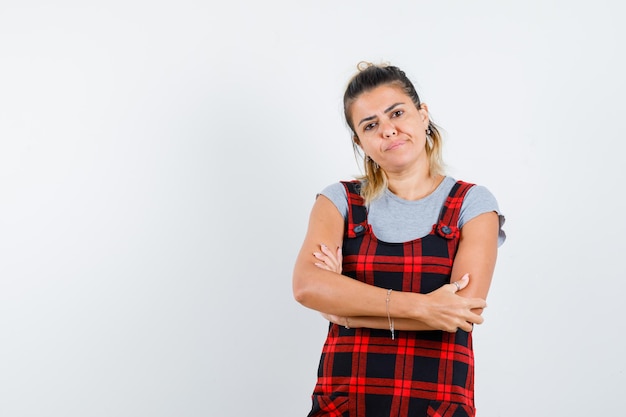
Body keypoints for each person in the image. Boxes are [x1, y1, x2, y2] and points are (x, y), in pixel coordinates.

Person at [292, 62, 506, 417]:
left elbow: (460, 313)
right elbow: (306, 286)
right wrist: (423, 307)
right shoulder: (339, 200)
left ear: (423, 115)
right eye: (371, 125)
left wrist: (348, 313)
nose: (388, 130)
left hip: (436, 405)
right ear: (359, 141)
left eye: (397, 113)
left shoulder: (473, 203)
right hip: (345, 403)